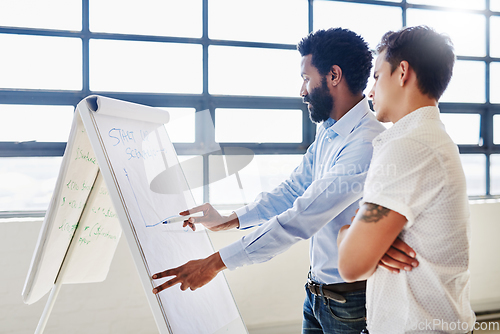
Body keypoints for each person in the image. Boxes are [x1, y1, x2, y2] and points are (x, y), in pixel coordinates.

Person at [153, 28, 418, 334]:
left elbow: (300, 218)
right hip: (317, 295)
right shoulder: (330, 131)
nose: (302, 90)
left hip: (350, 305)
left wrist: (214, 263)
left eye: (306, 78)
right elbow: (294, 189)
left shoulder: (365, 145)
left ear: (333, 75)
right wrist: (230, 219)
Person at [337, 26, 476, 333]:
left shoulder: (408, 146)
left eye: (375, 76)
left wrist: (347, 233)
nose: (370, 91)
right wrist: (370, 242)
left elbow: (350, 265)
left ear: (402, 72)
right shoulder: (430, 138)